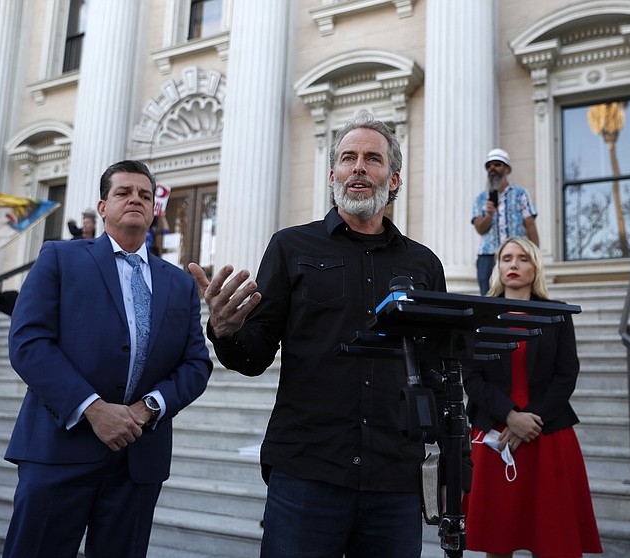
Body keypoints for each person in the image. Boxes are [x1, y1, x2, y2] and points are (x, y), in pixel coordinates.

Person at [189, 112, 451, 558]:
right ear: (333, 175)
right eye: (348, 158)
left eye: (373, 158)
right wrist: (224, 331)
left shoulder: (424, 265)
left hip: (394, 479)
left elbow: (438, 370)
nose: (359, 168)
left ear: (395, 179)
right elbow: (252, 357)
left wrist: (452, 465)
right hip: (307, 471)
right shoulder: (291, 247)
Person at [2, 160, 213, 558]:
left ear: (154, 210)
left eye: (145, 195)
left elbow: (196, 363)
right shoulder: (60, 259)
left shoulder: (180, 284)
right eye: (123, 192)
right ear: (102, 207)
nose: (135, 199)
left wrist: (148, 408)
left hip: (138, 459)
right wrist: (95, 410)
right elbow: (28, 341)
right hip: (59, 449)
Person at [461, 236, 601, 558]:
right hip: (494, 437)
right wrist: (511, 416)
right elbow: (471, 377)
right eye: (507, 258)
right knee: (498, 539)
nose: (514, 264)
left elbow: (567, 374)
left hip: (548, 436)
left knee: (550, 540)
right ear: (497, 267)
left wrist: (531, 420)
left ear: (535, 267)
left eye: (523, 258)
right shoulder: (479, 317)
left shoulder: (557, 315)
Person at [471, 148, 539, 295]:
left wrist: (535, 256)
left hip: (516, 255)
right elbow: (479, 229)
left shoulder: (521, 194)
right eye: (489, 166)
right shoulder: (481, 198)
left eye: (497, 164)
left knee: (518, 294)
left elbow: (530, 225)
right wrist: (489, 215)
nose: (492, 169)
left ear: (507, 168)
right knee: (489, 298)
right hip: (488, 256)